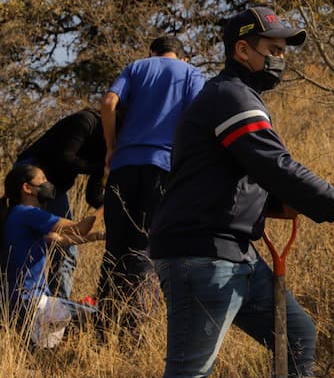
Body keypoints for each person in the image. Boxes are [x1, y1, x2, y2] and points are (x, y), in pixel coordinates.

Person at [148, 6, 334, 378]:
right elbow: (278, 168)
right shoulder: (232, 98)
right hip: (202, 256)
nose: (281, 60)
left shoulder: (234, 96)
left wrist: (269, 206)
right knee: (188, 376)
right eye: (274, 49)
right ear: (242, 50)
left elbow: (221, 176)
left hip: (236, 254)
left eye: (284, 51)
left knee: (298, 338)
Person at [97, 36, 205, 332]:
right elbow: (199, 116)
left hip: (123, 167)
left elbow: (108, 102)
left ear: (151, 53)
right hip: (164, 168)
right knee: (146, 246)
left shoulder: (135, 67)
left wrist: (111, 146)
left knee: (115, 248)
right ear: (181, 57)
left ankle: (103, 329)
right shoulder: (190, 73)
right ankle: (134, 330)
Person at [0, 164, 105, 348]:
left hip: (17, 303)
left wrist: (97, 236)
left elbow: (61, 239)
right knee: (99, 317)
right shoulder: (28, 213)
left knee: (39, 351)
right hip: (33, 302)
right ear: (27, 188)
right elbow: (81, 227)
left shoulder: (15, 216)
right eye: (43, 180)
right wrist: (107, 203)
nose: (48, 184)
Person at [15, 108, 106, 299]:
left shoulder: (109, 146)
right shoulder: (85, 121)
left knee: (61, 246)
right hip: (35, 176)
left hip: (53, 185)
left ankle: (54, 305)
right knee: (63, 250)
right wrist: (102, 168)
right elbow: (65, 158)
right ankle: (58, 308)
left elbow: (93, 196)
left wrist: (110, 198)